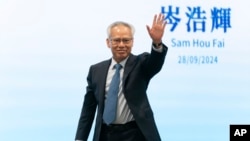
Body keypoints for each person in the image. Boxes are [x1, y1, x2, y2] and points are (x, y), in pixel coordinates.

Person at [75, 13, 168, 141]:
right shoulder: (96, 70)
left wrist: (157, 42)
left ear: (132, 42)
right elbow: (88, 110)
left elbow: (155, 63)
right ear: (108, 42)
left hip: (135, 133)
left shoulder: (141, 64)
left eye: (126, 40)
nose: (121, 45)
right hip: (105, 134)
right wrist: (80, 138)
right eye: (117, 40)